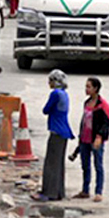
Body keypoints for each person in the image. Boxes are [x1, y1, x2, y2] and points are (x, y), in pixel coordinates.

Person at [35, 70, 75, 201]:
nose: (49, 83)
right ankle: (59, 191)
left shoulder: (55, 94)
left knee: (51, 163)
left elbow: (46, 110)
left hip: (56, 131)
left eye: (50, 81)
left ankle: (49, 192)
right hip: (64, 131)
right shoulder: (64, 94)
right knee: (59, 163)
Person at [73, 77, 109, 202]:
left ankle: (98, 191)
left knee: (98, 165)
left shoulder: (102, 105)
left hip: (95, 140)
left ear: (96, 88)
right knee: (85, 165)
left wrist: (99, 137)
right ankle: (85, 190)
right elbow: (84, 121)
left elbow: (106, 123)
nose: (86, 89)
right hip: (85, 138)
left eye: (89, 87)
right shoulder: (87, 103)